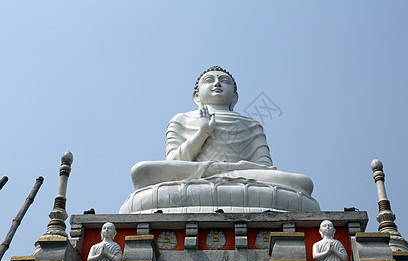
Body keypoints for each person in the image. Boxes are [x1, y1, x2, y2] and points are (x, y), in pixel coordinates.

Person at [130, 66, 313, 196]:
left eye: (224, 81)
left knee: (303, 183)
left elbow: (265, 168)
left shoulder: (251, 124)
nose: (217, 83)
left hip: (243, 174)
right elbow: (174, 162)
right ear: (196, 96)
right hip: (194, 172)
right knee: (141, 171)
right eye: (209, 80)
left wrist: (234, 170)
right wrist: (202, 132)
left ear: (234, 96)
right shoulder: (181, 119)